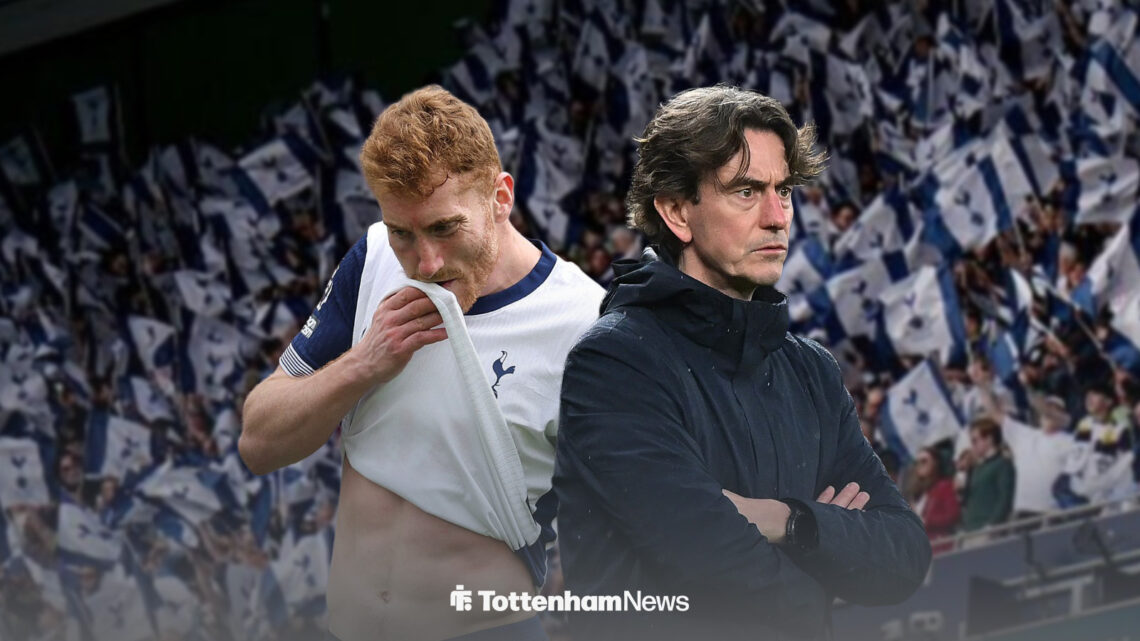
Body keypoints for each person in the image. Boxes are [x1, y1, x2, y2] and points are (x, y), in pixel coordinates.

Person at [553, 86, 931, 641]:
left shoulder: (811, 371)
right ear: (678, 211)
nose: (778, 218)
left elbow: (903, 557)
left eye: (784, 191)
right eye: (747, 191)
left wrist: (788, 520)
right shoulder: (614, 363)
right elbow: (722, 578)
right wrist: (830, 548)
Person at [239, 86, 604, 641]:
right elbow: (258, 442)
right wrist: (362, 364)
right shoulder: (373, 260)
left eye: (444, 228)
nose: (425, 263)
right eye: (402, 233)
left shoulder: (585, 323)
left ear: (500, 198)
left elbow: (631, 510)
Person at [958, 418, 1016, 532]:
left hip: (987, 529)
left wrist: (993, 525)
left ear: (989, 439)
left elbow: (1005, 499)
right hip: (970, 529)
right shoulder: (976, 468)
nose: (972, 446)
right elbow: (967, 500)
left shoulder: (1002, 464)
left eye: (975, 441)